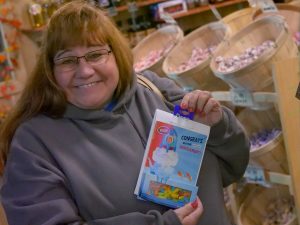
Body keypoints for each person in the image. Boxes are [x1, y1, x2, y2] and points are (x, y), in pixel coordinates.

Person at [0, 1, 249, 225]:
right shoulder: (34, 143)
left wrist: (216, 127)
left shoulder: (155, 91)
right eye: (67, 60)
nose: (85, 71)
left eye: (95, 54)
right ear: (50, 70)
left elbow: (233, 167)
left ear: (116, 54)